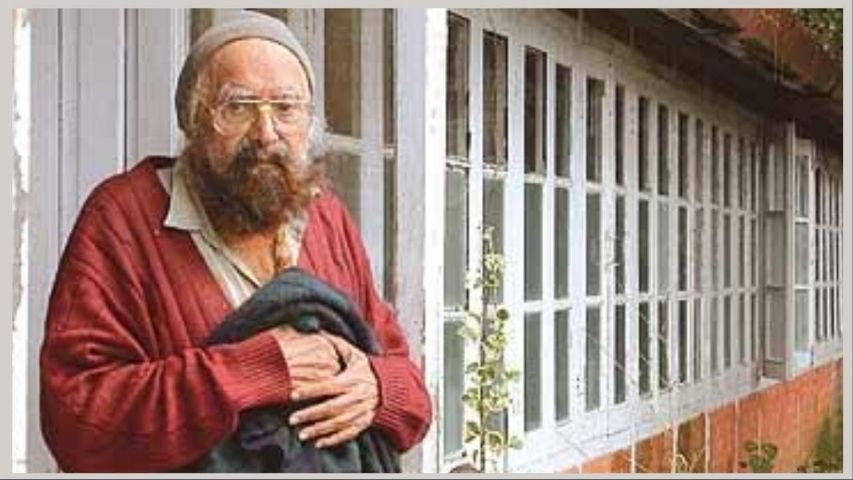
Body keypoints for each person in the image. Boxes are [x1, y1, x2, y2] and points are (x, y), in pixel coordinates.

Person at [39, 11, 432, 472]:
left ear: (309, 122)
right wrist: (251, 372)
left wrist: (379, 388)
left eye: (286, 108)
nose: (266, 132)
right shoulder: (123, 216)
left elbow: (411, 390)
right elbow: (75, 421)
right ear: (193, 120)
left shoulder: (325, 215)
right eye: (238, 107)